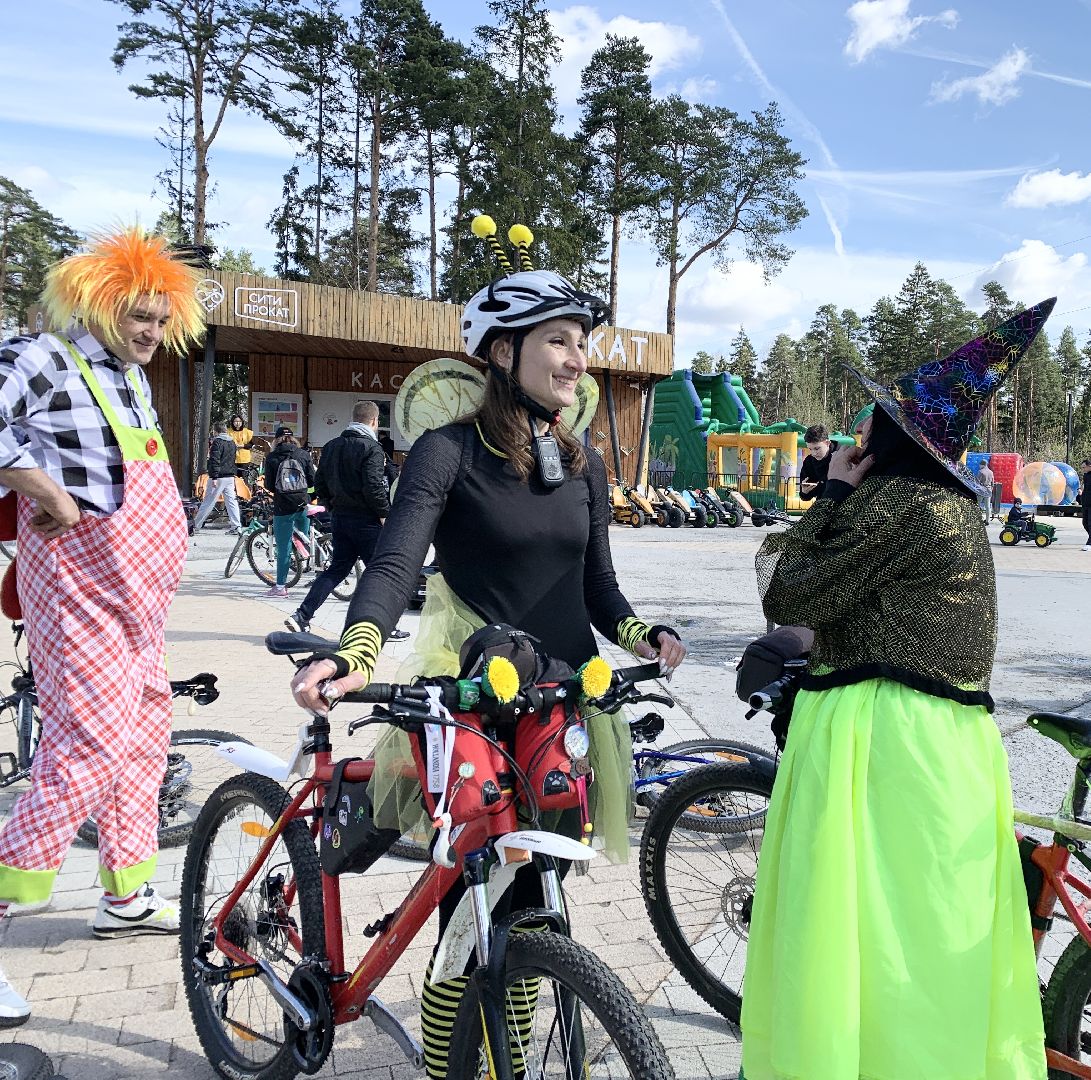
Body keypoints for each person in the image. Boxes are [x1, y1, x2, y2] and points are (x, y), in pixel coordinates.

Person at [290, 233, 687, 1080]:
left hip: (558, 706)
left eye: (582, 342)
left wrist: (641, 636)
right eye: (559, 339)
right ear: (502, 352)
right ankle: (451, 1064)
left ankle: (501, 1048)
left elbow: (598, 590)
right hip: (469, 697)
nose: (578, 359)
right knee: (471, 910)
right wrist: (356, 653)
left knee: (536, 907)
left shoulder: (582, 465)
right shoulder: (448, 450)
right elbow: (396, 564)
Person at [741, 299, 1056, 1080]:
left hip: (876, 736)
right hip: (949, 744)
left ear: (890, 439)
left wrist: (833, 495)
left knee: (853, 932)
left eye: (869, 422)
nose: (855, 434)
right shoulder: (954, 508)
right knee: (925, 932)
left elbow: (786, 592)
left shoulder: (893, 504)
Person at [0, 227, 207, 1024]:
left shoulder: (128, 379)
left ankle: (124, 893)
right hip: (77, 590)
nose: (150, 330)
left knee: (144, 736)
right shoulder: (49, 356)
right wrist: (45, 495)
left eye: (160, 318)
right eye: (135, 314)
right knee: (85, 746)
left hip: (136, 602)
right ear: (96, 301)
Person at [284, 401, 407, 639]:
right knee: (381, 574)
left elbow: (319, 483)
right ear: (374, 421)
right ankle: (384, 626)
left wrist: (332, 506)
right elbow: (373, 486)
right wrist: (384, 514)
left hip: (340, 518)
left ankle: (302, 615)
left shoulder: (331, 446)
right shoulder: (372, 448)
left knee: (336, 570)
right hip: (368, 521)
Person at [262, 425, 315, 599]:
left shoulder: (272, 457)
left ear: (276, 440)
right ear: (293, 439)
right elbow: (312, 480)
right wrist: (309, 498)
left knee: (283, 547)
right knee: (305, 536)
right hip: (303, 503)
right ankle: (307, 557)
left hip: (283, 506)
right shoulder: (303, 455)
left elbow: (269, 485)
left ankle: (280, 587)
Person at [190, 420, 242, 535]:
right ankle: (236, 526)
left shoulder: (217, 442)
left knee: (208, 501)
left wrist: (214, 477)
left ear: (216, 431)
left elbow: (214, 460)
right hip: (230, 476)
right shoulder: (232, 442)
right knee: (231, 501)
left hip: (218, 477)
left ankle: (195, 526)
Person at [797, 423, 834, 501]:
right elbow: (806, 497)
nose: (814, 453)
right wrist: (804, 492)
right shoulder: (809, 462)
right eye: (810, 449)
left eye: (817, 448)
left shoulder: (842, 455)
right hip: (822, 504)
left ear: (827, 443)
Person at [1080, 458, 1091, 551]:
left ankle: (1089, 543)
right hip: (1085, 503)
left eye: (1084, 467)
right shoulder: (1085, 475)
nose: (1083, 469)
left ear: (1089, 466)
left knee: (1090, 523)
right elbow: (1084, 488)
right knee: (1085, 523)